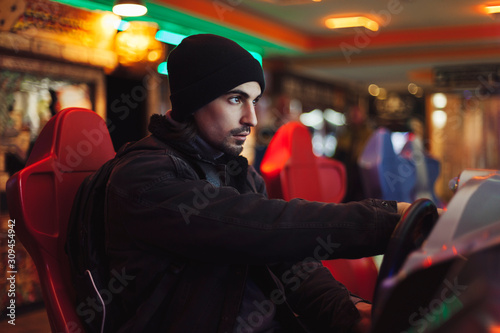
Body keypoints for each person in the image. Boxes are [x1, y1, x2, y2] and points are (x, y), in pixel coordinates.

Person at [75, 34, 411, 332]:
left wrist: (349, 313)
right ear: (194, 102)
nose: (252, 118)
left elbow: (292, 263)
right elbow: (261, 226)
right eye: (236, 99)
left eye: (254, 100)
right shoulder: (144, 177)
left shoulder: (238, 172)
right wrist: (388, 220)